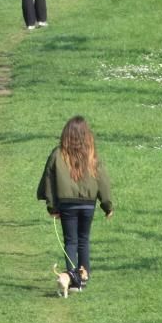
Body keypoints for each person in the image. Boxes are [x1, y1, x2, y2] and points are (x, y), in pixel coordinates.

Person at [37, 116, 113, 292]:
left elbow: (49, 180)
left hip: (67, 204)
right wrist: (107, 205)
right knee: (83, 240)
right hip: (88, 204)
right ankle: (83, 279)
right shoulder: (93, 156)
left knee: (71, 241)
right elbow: (103, 182)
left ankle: (72, 279)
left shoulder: (57, 154)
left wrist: (52, 206)